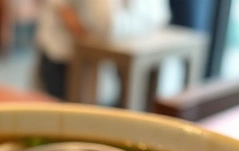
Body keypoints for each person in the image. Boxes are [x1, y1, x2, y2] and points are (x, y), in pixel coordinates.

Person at [36, 0, 170, 101]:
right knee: (62, 108)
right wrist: (90, 39)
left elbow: (156, 16)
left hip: (101, 58)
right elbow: (63, 9)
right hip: (63, 54)